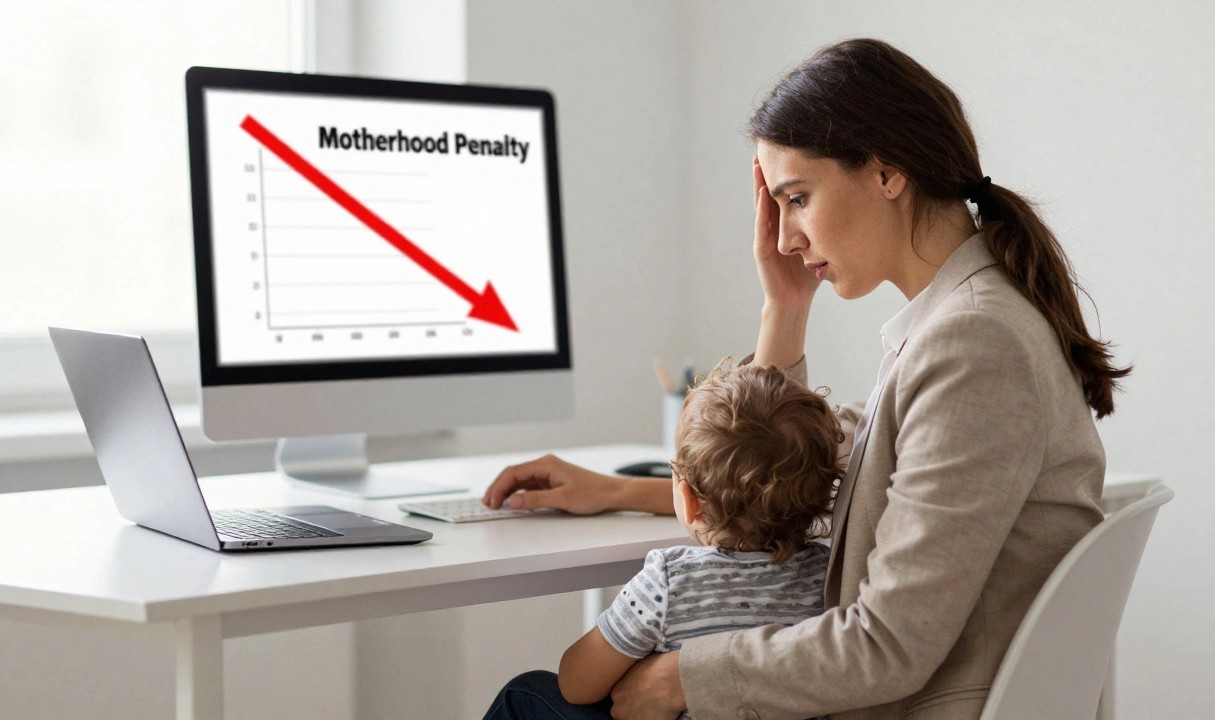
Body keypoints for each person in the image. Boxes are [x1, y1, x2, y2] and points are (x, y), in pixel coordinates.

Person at [480, 37, 1129, 720]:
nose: (785, 237)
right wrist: (785, 307)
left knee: (531, 700)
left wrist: (681, 678)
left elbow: (888, 644)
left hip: (909, 704)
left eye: (797, 198)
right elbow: (782, 470)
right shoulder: (965, 322)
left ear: (886, 173)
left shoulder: (972, 344)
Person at [543, 360, 839, 717]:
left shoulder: (669, 581)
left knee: (525, 691)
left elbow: (575, 684)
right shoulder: (831, 577)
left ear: (688, 499)